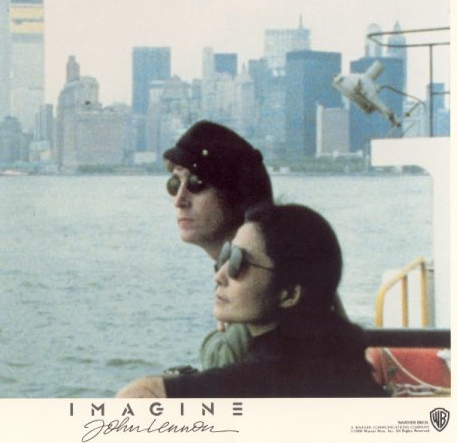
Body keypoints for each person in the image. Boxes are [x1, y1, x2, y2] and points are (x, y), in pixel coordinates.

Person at [117, 204, 387, 397]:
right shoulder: (338, 356)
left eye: (239, 263)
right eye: (226, 256)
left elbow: (141, 396)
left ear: (289, 294)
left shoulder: (275, 375)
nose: (219, 276)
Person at [162, 120, 273, 369]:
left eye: (195, 184)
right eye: (174, 184)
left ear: (235, 194)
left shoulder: (261, 267)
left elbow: (224, 363)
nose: (179, 200)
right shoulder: (265, 251)